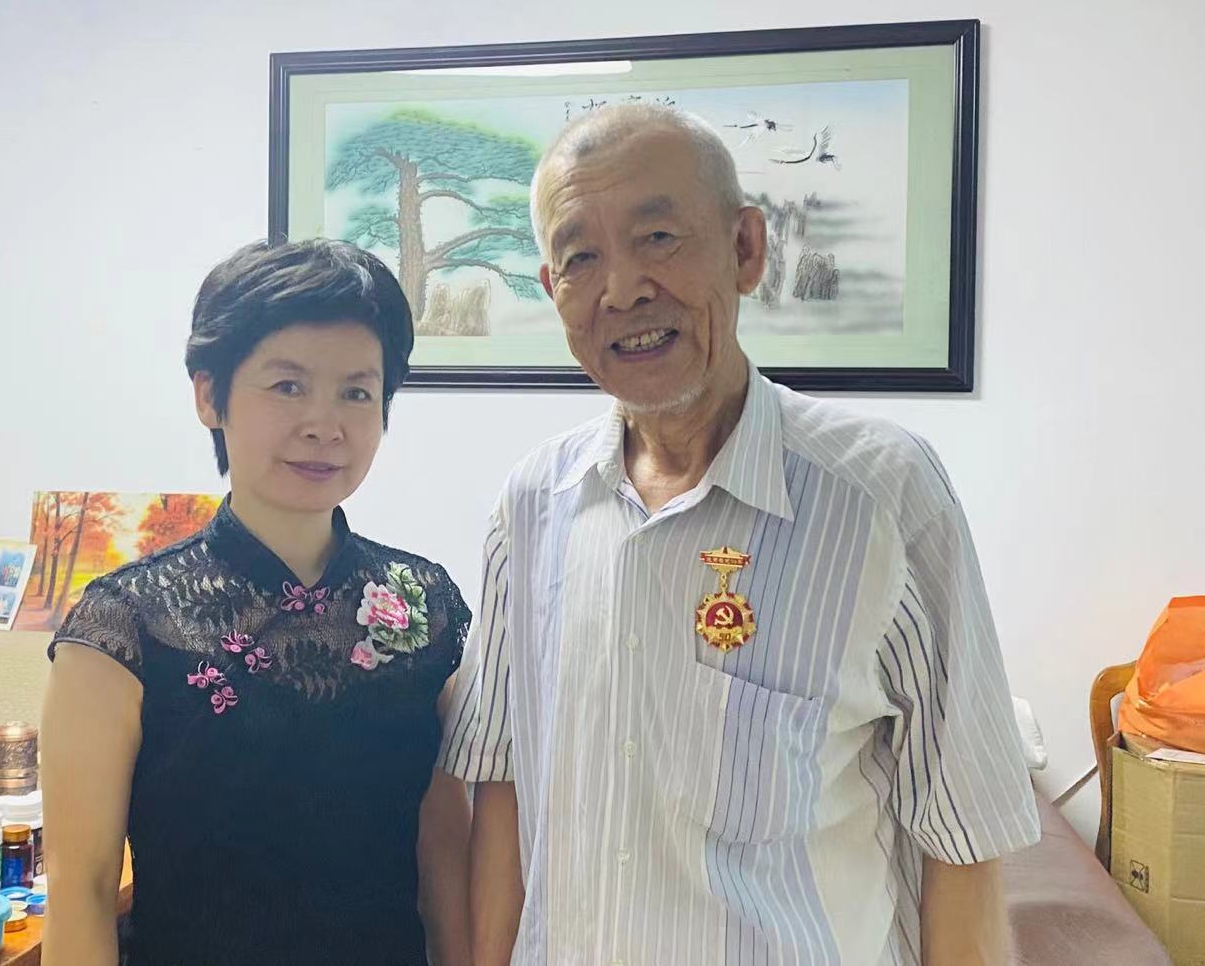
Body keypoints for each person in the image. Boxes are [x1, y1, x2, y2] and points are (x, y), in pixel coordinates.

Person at [440, 105, 1039, 965]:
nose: (622, 290)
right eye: (581, 258)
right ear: (552, 288)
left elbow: (964, 833)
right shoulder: (531, 505)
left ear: (746, 248)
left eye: (658, 237)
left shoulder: (882, 494)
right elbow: (501, 790)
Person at [41, 239, 472, 966]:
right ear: (209, 395)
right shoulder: (125, 624)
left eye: (357, 392)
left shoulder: (425, 606)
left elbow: (445, 858)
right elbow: (80, 893)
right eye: (288, 385)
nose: (325, 424)